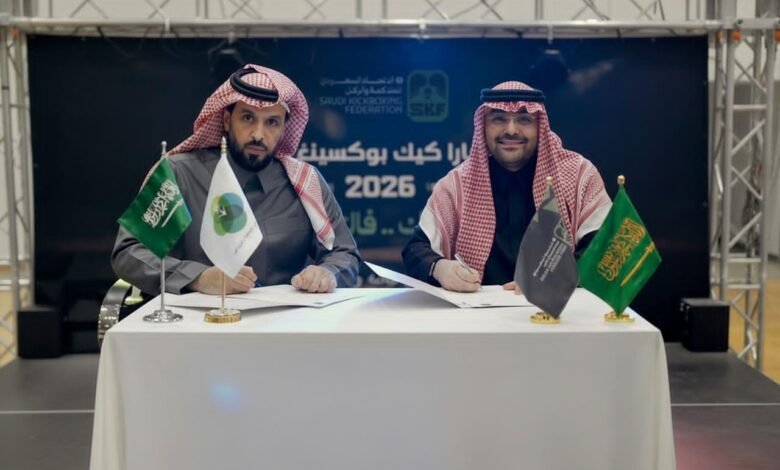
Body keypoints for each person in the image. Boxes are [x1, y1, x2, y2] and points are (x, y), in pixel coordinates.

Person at [113, 64, 360, 295]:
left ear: (284, 128)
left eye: (272, 122)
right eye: (248, 118)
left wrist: (328, 273)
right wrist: (197, 278)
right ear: (226, 120)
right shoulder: (180, 174)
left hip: (281, 321)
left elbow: (344, 254)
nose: (258, 134)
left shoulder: (304, 182)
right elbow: (129, 252)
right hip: (196, 320)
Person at [402, 81, 611, 292]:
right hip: (477, 309)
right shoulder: (456, 185)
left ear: (540, 126)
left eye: (524, 119)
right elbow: (415, 249)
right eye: (499, 119)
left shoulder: (578, 175)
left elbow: (606, 245)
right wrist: (439, 268)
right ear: (484, 126)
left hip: (559, 307)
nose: (511, 130)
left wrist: (559, 277)